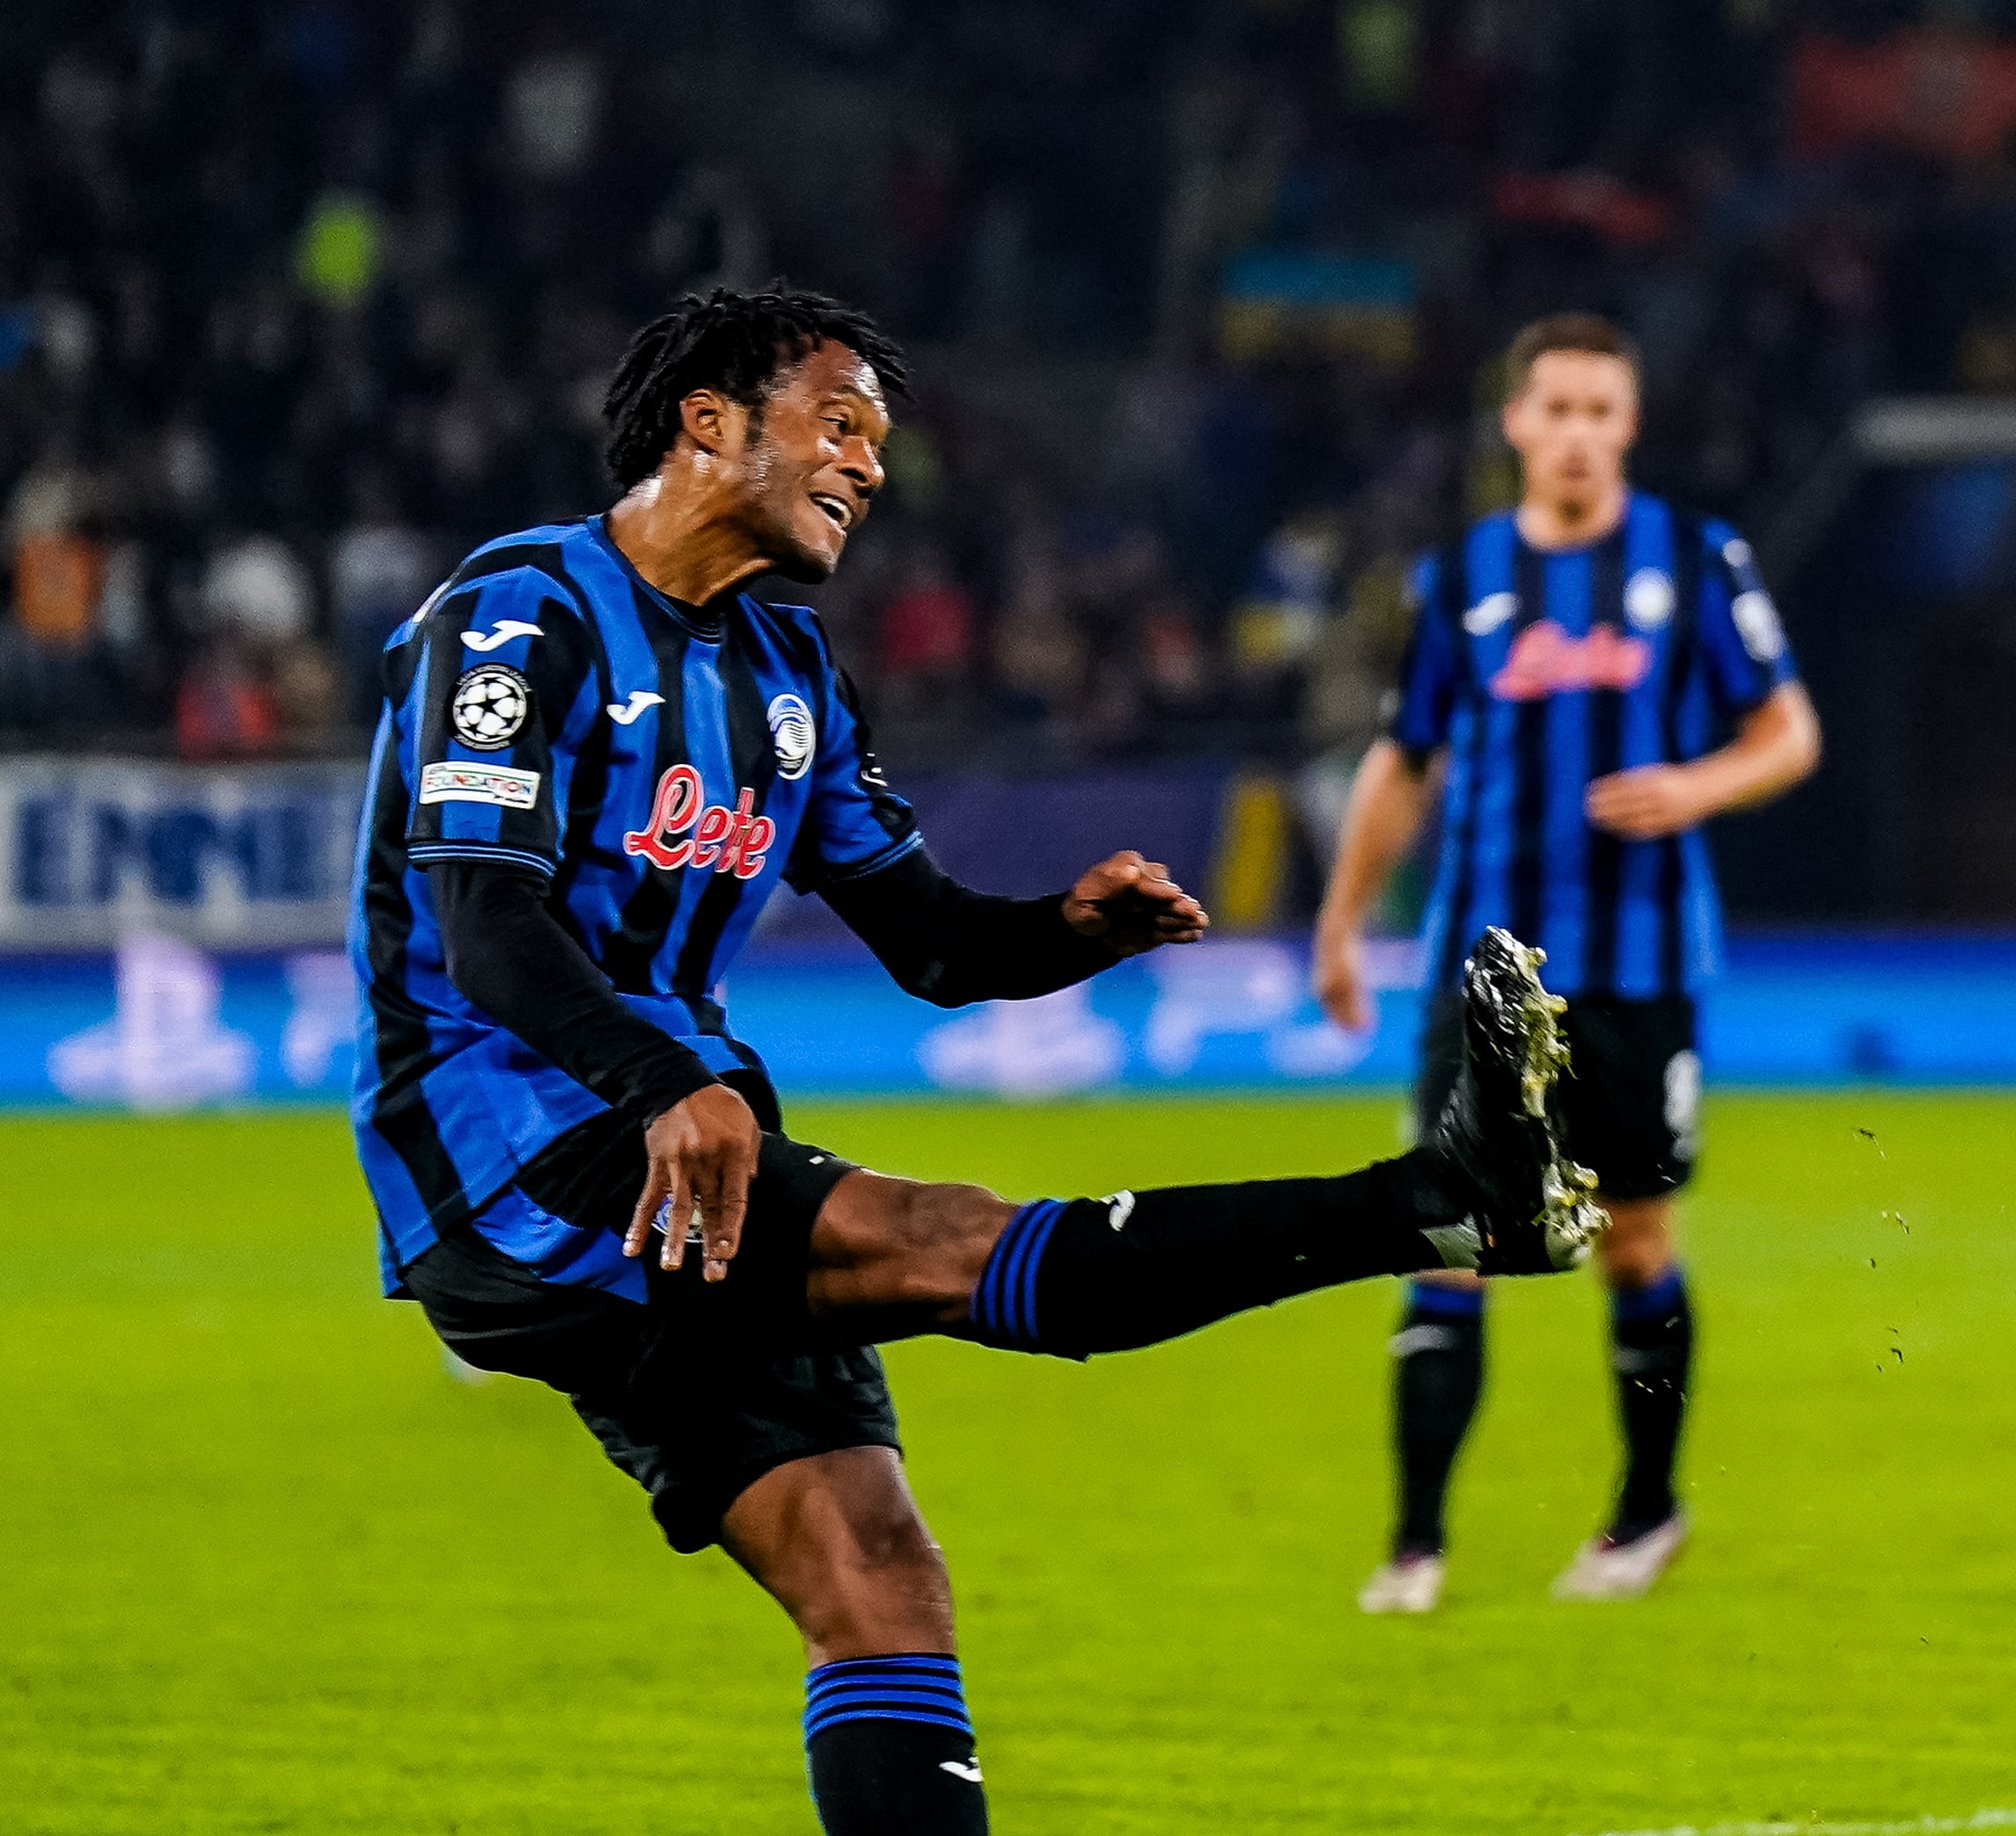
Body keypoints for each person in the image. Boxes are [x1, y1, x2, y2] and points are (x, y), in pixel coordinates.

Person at [350, 285, 1603, 1835]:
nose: (870, 467)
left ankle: (1451, 1205)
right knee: (941, 1239)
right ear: (708, 420)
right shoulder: (519, 611)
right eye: (840, 423)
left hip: (686, 1149)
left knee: (881, 1584)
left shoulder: (790, 678)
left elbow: (933, 942)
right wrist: (664, 1082)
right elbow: (483, 917)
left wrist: (1070, 929)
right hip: (506, 1143)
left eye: (879, 442)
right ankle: (1436, 1204)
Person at [1312, 313, 1822, 1613]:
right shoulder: (1461, 579)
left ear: (1628, 425)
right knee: (1441, 1229)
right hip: (1482, 966)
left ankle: (1644, 1513)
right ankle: (1413, 1545)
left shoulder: (1697, 561)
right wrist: (1339, 919)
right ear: (1517, 422)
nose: (1581, 433)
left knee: (1634, 1235)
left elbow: (1786, 730)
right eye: (1561, 409)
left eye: (1605, 410)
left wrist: (1696, 784)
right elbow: (1403, 759)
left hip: (1640, 964)